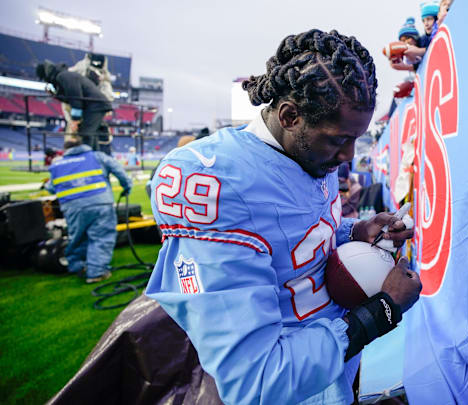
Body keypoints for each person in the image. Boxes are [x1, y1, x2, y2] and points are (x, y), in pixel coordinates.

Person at [145, 29, 422, 404]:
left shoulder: (306, 154)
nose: (348, 157)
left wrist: (354, 230)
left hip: (334, 366)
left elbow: (292, 238)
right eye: (339, 139)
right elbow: (256, 379)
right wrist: (383, 310)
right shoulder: (217, 179)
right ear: (290, 116)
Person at [45, 135, 132, 283]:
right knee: (101, 237)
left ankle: (77, 266)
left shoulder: (57, 165)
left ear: (65, 149)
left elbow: (51, 188)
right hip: (100, 203)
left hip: (72, 208)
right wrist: (126, 187)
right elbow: (119, 170)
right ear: (82, 145)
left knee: (77, 237)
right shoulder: (97, 157)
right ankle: (96, 273)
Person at [36, 61, 113, 151]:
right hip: (94, 104)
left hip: (95, 104)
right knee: (88, 132)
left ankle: (87, 159)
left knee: (86, 132)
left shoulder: (63, 76)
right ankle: (93, 157)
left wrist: (75, 120)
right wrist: (55, 95)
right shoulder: (63, 76)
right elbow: (71, 98)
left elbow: (75, 97)